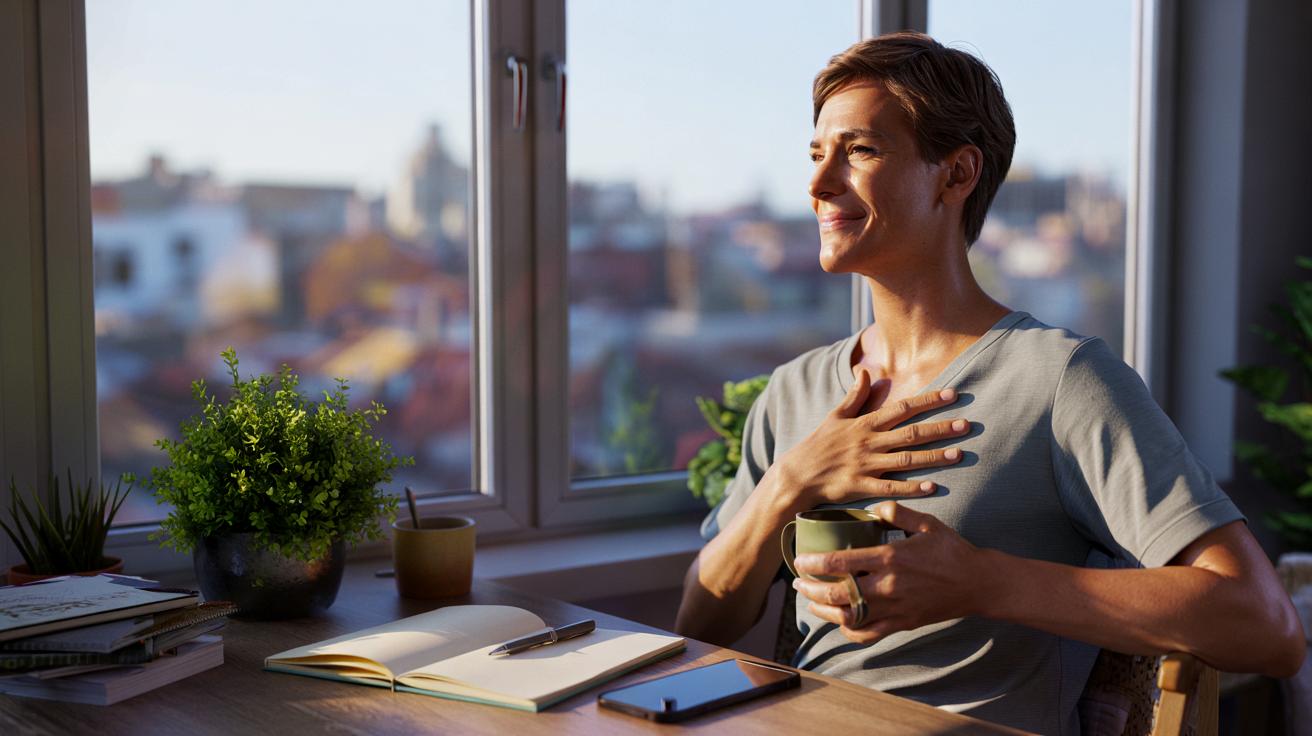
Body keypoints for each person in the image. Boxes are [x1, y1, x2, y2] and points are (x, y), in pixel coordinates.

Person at [673, 31, 1304, 733]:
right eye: (817, 154)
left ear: (956, 174)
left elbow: (1265, 627)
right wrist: (791, 482)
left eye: (861, 151)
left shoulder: (1062, 380)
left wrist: (982, 581)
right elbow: (700, 625)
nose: (819, 185)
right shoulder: (792, 393)